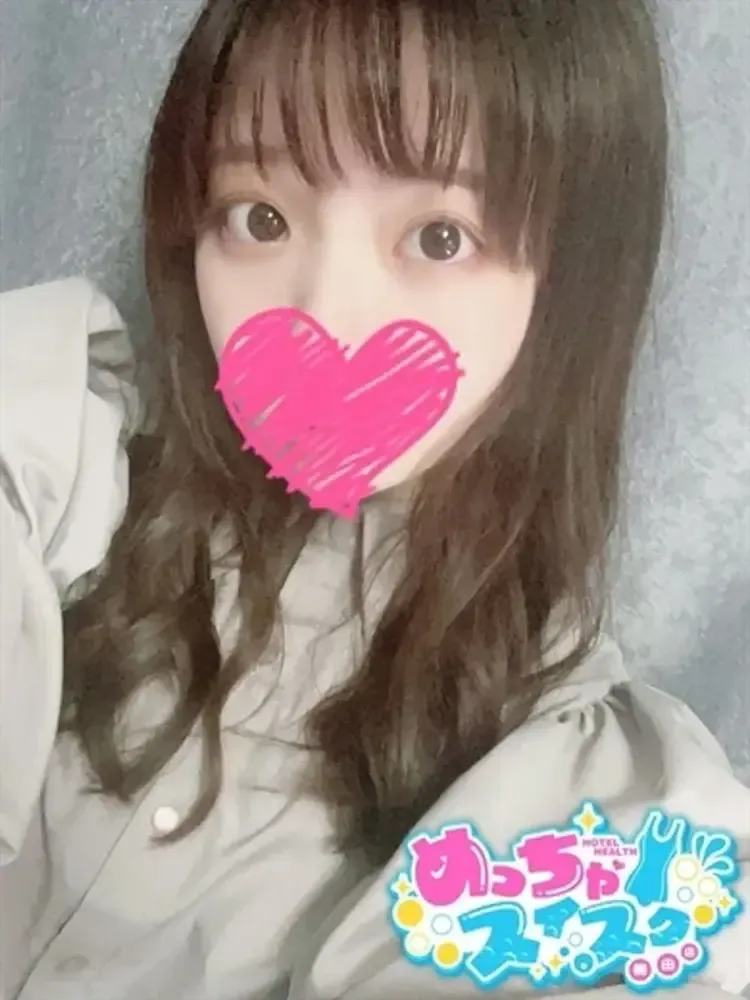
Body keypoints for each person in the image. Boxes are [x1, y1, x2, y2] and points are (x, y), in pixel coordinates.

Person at [0, 0, 747, 997]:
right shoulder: (64, 468)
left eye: (438, 236)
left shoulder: (581, 803)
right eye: (259, 218)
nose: (324, 314)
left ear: (571, 279)